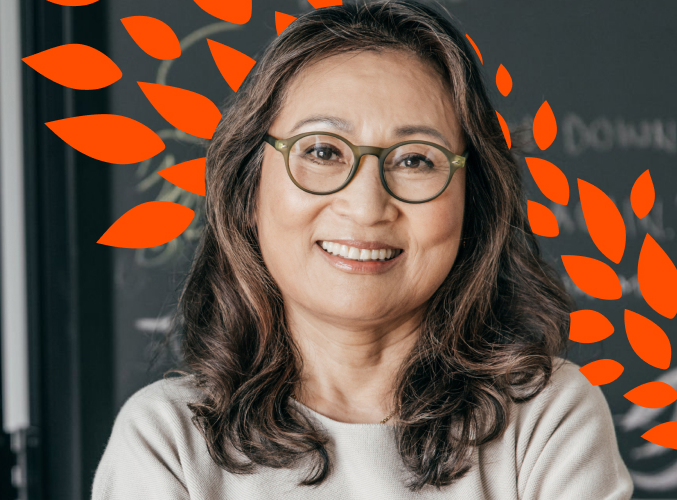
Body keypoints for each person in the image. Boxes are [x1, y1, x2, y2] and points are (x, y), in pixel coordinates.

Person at [90, 1, 633, 499]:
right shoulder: (168, 441)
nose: (368, 204)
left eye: (416, 159)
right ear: (250, 193)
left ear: (474, 204)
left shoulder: (548, 418)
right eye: (323, 151)